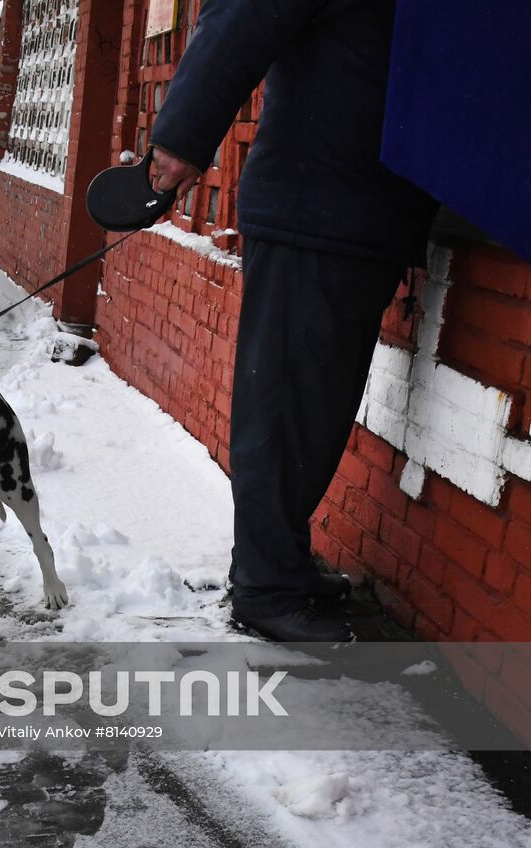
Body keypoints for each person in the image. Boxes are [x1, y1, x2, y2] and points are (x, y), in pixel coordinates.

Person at [146, 0, 437, 642]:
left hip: (357, 213)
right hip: (314, 206)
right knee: (283, 406)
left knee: (315, 411)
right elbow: (243, 14)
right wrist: (181, 140)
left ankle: (279, 563)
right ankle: (265, 586)